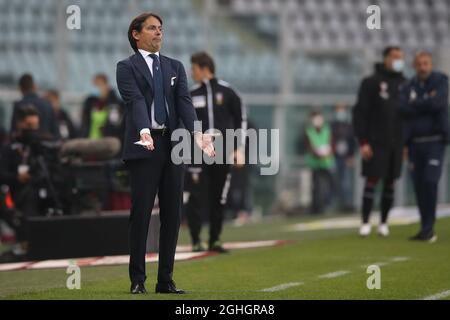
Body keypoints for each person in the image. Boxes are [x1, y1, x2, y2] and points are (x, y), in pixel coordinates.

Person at [116, 12, 214, 295]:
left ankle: (165, 280)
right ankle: (137, 279)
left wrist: (197, 133)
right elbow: (134, 101)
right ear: (136, 34)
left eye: (160, 28)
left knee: (173, 214)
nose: (159, 32)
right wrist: (144, 130)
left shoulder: (175, 67)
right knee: (142, 214)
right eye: (151, 28)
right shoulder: (126, 67)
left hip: (173, 146)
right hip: (145, 147)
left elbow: (184, 103)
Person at [185, 52, 245, 253]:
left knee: (218, 196)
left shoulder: (228, 92)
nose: (191, 73)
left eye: (193, 69)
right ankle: (195, 240)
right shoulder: (191, 95)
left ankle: (215, 239)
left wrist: (238, 148)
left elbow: (240, 121)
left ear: (204, 68)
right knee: (194, 196)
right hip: (195, 152)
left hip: (222, 151)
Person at [352, 46, 406, 237]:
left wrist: (405, 143)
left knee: (390, 182)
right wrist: (363, 141)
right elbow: (360, 114)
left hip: (396, 142)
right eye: (394, 57)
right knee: (372, 180)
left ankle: (384, 222)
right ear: (385, 58)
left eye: (401, 57)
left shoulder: (404, 84)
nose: (398, 60)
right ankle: (365, 222)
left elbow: (407, 117)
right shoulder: (371, 82)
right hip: (375, 142)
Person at [399, 51, 449, 243]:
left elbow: (438, 103)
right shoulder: (408, 85)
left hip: (435, 141)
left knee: (430, 181)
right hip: (414, 143)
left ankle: (429, 226)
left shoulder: (441, 80)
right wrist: (425, 102)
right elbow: (402, 107)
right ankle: (425, 228)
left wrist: (416, 104)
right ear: (414, 66)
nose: (423, 67)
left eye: (426, 63)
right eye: (419, 64)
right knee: (418, 186)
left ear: (431, 64)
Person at [304, 109, 335, 214]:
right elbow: (309, 146)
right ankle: (317, 208)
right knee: (316, 186)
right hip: (315, 163)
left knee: (329, 185)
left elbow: (331, 144)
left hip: (327, 162)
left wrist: (327, 152)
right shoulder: (309, 131)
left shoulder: (327, 130)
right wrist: (318, 153)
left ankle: (328, 205)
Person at [10, 74, 59, 138]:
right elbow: (56, 132)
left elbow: (14, 131)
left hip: (26, 143)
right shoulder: (47, 105)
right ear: (34, 86)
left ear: (20, 88)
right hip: (44, 145)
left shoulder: (19, 105)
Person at [80, 73, 125, 142]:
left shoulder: (115, 104)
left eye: (99, 85)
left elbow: (115, 124)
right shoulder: (90, 103)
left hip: (107, 142)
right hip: (91, 142)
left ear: (106, 85)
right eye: (95, 85)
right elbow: (85, 124)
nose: (97, 88)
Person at [331, 103, 356, 211]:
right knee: (333, 181)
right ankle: (332, 205)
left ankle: (347, 204)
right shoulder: (332, 126)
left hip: (345, 158)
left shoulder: (349, 126)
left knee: (346, 182)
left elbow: (353, 142)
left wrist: (351, 155)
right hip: (334, 157)